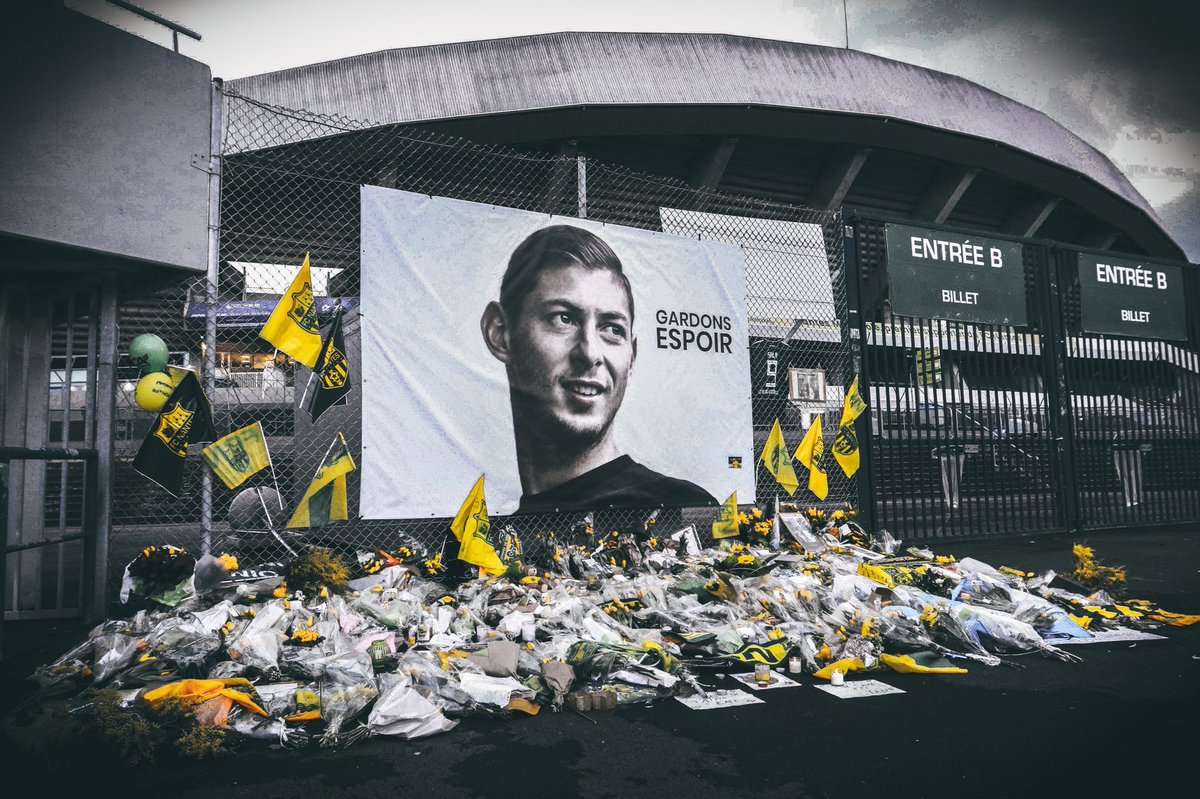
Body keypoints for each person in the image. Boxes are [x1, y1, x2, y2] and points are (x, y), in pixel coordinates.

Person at [480, 224, 718, 515]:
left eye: (612, 329)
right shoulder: (490, 528)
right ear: (500, 333)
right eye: (564, 318)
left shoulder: (673, 505)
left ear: (631, 359)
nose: (590, 353)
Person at [1110, 413, 1143, 507]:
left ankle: (1132, 498)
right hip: (1128, 452)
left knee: (1129, 475)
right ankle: (1133, 498)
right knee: (1132, 475)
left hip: (1125, 453)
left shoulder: (1121, 435)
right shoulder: (1126, 434)